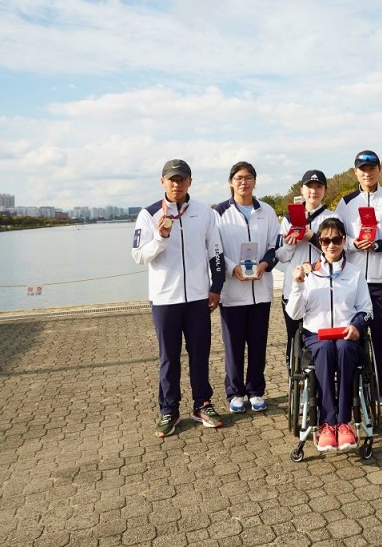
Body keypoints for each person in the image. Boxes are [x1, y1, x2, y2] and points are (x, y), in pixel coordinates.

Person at [132, 159, 225, 438]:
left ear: (190, 182)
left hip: (198, 297)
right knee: (169, 358)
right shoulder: (148, 214)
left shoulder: (204, 212)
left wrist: (216, 286)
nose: (177, 184)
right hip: (164, 299)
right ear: (162, 182)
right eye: (171, 179)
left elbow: (216, 252)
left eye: (182, 179)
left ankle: (202, 404)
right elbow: (138, 255)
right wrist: (160, 237)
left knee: (200, 354)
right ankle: (168, 410)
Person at [285, 217, 373, 452]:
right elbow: (294, 314)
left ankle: (343, 422)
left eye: (336, 239)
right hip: (317, 335)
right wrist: (297, 285)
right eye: (325, 240)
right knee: (324, 350)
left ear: (344, 241)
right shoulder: (309, 272)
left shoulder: (354, 273)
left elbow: (366, 309)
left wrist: (356, 327)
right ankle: (326, 423)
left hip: (346, 334)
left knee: (344, 349)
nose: (331, 245)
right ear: (320, 243)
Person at [335, 150, 382, 405]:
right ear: (355, 172)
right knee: (351, 332)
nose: (367, 173)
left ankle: (379, 385)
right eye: (362, 169)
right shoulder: (345, 202)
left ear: (379, 170)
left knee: (379, 334)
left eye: (372, 168)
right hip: (351, 280)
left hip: (381, 280)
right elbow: (337, 236)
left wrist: (376, 245)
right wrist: (354, 244)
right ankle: (352, 384)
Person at [215, 161, 281, 413]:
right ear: (231, 182)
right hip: (232, 292)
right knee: (233, 346)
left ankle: (255, 390)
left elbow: (276, 245)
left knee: (258, 344)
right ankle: (235, 392)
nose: (244, 182)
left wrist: (264, 264)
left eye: (249, 177)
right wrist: (233, 268)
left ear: (255, 181)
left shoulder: (266, 211)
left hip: (261, 291)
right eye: (239, 178)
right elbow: (215, 249)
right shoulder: (219, 212)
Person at [275, 170, 337, 368]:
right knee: (294, 338)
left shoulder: (332, 217)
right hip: (294, 288)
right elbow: (281, 256)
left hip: (323, 288)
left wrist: (311, 236)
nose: (314, 191)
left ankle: (320, 379)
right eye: (309, 187)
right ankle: (296, 378)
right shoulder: (288, 218)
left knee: (320, 338)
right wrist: (291, 242)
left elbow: (337, 253)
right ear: (301, 189)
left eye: (319, 187)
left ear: (325, 190)